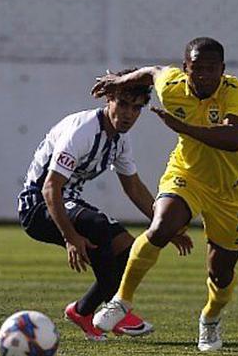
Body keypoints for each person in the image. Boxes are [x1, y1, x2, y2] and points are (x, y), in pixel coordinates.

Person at [89, 37, 238, 352]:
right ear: (185, 68)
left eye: (212, 68)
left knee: (221, 272)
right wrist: (120, 81)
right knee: (162, 225)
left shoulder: (236, 93)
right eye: (197, 68)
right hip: (187, 174)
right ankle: (121, 300)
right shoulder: (172, 86)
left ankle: (210, 317)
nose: (204, 75)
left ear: (223, 69)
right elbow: (153, 71)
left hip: (230, 190)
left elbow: (233, 138)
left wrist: (182, 127)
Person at [16, 69, 193, 341]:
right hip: (38, 206)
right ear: (108, 99)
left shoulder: (120, 139)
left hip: (67, 200)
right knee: (98, 227)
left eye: (136, 108)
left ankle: (83, 311)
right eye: (123, 104)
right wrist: (70, 237)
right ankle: (116, 311)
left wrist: (165, 226)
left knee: (128, 248)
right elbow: (50, 188)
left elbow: (133, 187)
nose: (128, 114)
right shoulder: (83, 131)